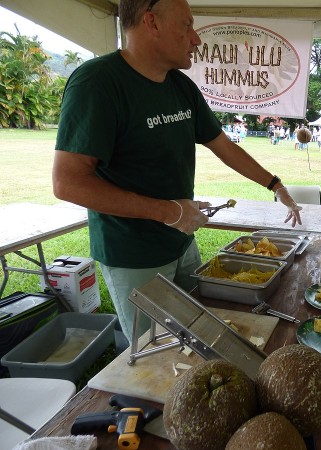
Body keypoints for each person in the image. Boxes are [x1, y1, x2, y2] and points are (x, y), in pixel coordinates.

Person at [52, 0, 302, 345]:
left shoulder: (180, 87)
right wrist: (169, 211)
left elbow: (225, 146)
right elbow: (68, 183)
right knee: (152, 352)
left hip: (182, 243)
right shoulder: (98, 82)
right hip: (133, 254)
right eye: (186, 26)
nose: (196, 39)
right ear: (151, 22)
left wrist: (275, 184)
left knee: (197, 336)